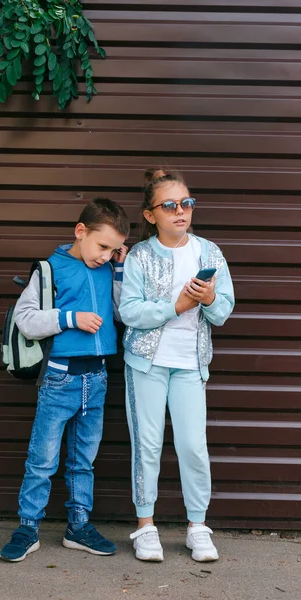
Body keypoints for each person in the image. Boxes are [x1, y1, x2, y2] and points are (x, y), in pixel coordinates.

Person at [0, 198, 130, 562]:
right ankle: (28, 527)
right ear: (80, 231)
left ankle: (78, 526)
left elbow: (121, 313)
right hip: (59, 378)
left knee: (83, 460)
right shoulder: (50, 268)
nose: (105, 255)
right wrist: (70, 318)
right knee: (42, 460)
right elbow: (26, 318)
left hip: (98, 378)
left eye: (114, 250)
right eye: (102, 246)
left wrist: (119, 271)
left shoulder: (108, 269)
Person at [119, 168, 234, 563]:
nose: (180, 211)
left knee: (192, 446)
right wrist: (177, 306)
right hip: (146, 363)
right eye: (169, 205)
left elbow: (223, 311)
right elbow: (129, 311)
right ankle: (145, 526)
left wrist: (208, 299)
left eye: (186, 203)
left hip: (190, 363)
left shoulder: (209, 252)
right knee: (147, 446)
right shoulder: (140, 255)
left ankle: (197, 526)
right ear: (151, 215)